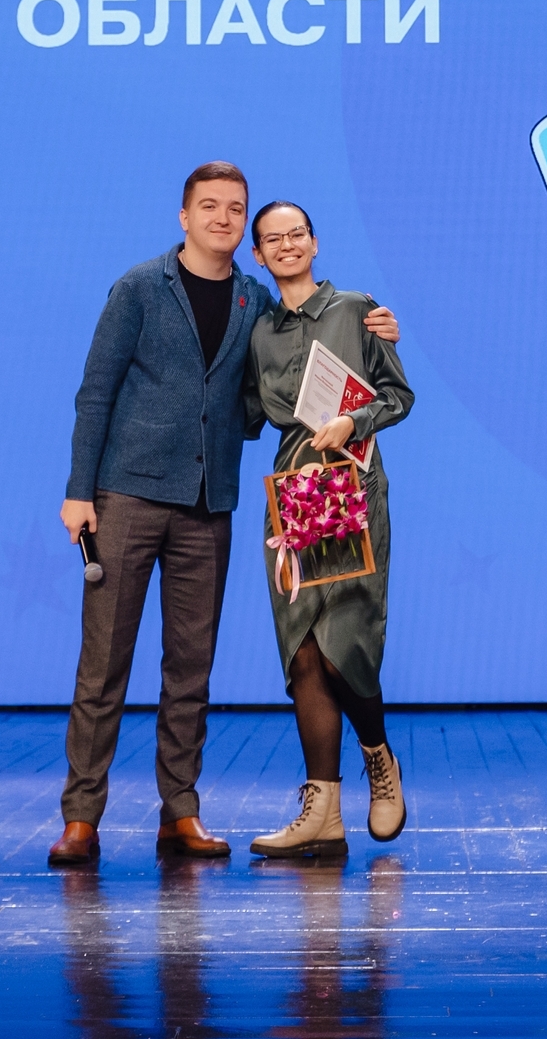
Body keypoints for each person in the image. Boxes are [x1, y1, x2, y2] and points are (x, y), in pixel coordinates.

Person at [50, 163, 399, 867]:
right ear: (184, 216)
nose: (223, 218)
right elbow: (96, 392)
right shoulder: (139, 288)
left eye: (235, 209)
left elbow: (292, 379)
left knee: (192, 668)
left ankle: (180, 812)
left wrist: (378, 329)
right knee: (103, 666)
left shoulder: (255, 303)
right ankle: (81, 817)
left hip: (213, 505)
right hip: (126, 497)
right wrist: (79, 490)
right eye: (209, 206)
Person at [241, 201, 416, 859]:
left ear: (314, 242)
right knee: (303, 651)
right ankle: (322, 811)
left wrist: (354, 421)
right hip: (291, 492)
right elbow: (245, 412)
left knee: (346, 642)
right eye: (273, 239)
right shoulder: (257, 331)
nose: (287, 245)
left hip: (349, 482)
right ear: (258, 254)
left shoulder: (356, 309)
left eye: (297, 234)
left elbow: (398, 396)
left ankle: (378, 756)